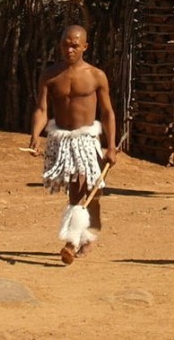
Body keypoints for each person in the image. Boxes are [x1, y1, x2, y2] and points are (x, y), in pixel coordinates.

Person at [28, 24, 117, 265]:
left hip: (87, 140)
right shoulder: (50, 75)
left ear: (85, 47)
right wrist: (36, 135)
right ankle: (81, 237)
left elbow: (107, 112)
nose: (70, 49)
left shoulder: (96, 75)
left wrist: (111, 146)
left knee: (86, 188)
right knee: (78, 189)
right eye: (66, 44)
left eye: (75, 45)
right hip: (62, 140)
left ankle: (74, 240)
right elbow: (42, 109)